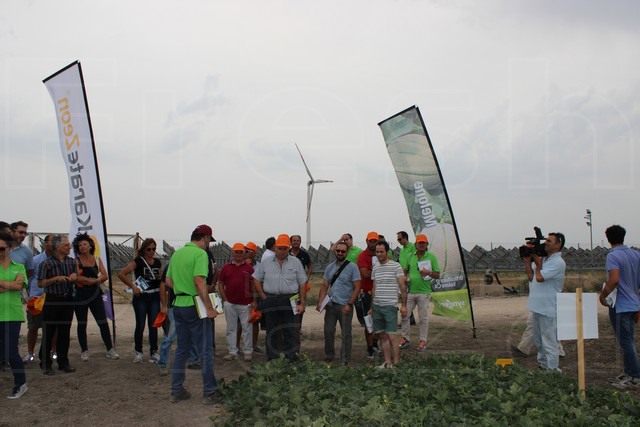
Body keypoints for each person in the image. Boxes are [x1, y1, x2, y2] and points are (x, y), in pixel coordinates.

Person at [165, 224, 220, 405]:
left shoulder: (177, 254)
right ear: (205, 238)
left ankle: (176, 390)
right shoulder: (200, 254)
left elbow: (168, 280)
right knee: (205, 350)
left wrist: (181, 288)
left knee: (182, 349)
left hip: (178, 305)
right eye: (209, 240)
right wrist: (209, 307)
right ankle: (210, 392)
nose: (209, 244)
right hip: (195, 306)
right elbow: (199, 281)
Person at [253, 234, 307, 362]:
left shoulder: (296, 262)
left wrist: (302, 303)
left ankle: (291, 358)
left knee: (291, 330)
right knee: (272, 330)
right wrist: (263, 296)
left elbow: (302, 283)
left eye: (285, 248)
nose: (282, 251)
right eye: (279, 248)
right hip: (271, 299)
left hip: (291, 299)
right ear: (275, 247)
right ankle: (273, 358)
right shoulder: (266, 262)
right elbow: (256, 279)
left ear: (289, 248)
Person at [599, 225, 640, 389]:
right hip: (633, 303)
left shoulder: (613, 256)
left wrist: (603, 295)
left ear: (608, 238)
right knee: (628, 339)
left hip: (620, 305)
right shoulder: (636, 254)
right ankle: (629, 372)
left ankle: (635, 376)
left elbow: (614, 279)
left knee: (625, 342)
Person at [72, 233, 119, 361]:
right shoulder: (76, 261)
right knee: (82, 323)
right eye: (80, 245)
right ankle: (84, 350)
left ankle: (110, 349)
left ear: (90, 246)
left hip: (95, 295)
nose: (82, 247)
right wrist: (91, 281)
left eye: (85, 244)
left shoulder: (97, 259)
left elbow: (105, 275)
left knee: (102, 321)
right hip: (80, 296)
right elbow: (77, 277)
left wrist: (94, 281)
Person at [523, 232, 566, 372]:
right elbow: (531, 278)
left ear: (558, 245)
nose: (545, 243)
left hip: (548, 307)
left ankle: (553, 369)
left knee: (549, 341)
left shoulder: (558, 262)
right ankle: (543, 365)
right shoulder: (544, 259)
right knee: (539, 340)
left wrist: (538, 265)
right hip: (537, 306)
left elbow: (540, 278)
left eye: (549, 241)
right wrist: (527, 262)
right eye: (546, 240)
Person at [38, 234, 77, 374]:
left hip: (67, 299)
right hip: (52, 299)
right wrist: (55, 279)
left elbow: (76, 276)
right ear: (58, 247)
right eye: (66, 245)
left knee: (64, 332)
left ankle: (63, 361)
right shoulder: (46, 264)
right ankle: (45, 362)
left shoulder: (72, 262)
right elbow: (41, 283)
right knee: (49, 332)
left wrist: (74, 277)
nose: (69, 247)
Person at [316, 241, 361, 365]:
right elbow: (324, 285)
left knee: (346, 333)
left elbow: (357, 287)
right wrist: (321, 301)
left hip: (345, 305)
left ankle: (345, 358)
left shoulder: (353, 267)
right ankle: (329, 355)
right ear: (335, 251)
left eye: (343, 251)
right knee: (328, 331)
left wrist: (350, 304)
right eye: (338, 251)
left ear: (347, 252)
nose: (340, 253)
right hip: (331, 305)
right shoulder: (330, 267)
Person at [118, 238, 162, 363]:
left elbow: (161, 278)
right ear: (144, 249)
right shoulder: (138, 261)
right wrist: (133, 286)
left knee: (153, 325)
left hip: (154, 295)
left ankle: (154, 351)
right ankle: (138, 352)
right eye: (149, 249)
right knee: (140, 324)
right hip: (141, 296)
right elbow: (121, 274)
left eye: (153, 249)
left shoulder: (157, 262)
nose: (151, 252)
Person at [369, 241, 407, 369]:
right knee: (382, 335)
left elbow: (402, 286)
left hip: (390, 306)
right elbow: (374, 287)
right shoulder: (375, 267)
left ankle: (396, 363)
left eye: (381, 251)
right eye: (377, 252)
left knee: (392, 335)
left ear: (387, 252)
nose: (379, 254)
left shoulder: (396, 266)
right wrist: (371, 307)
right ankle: (387, 363)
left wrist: (404, 305)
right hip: (377, 306)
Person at [0, 232, 29, 398]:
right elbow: (15, 285)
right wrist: (10, 284)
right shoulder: (16, 271)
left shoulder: (19, 266)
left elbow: (19, 286)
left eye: (1, 248)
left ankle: (20, 383)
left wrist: (5, 285)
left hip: (12, 314)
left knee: (11, 351)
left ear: (9, 248)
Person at [399, 234, 440, 352]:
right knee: (404, 315)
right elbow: (404, 270)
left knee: (423, 318)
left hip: (424, 292)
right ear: (415, 244)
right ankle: (405, 339)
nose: (421, 245)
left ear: (427, 244)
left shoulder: (431, 257)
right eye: (419, 243)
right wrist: (405, 277)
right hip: (411, 291)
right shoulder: (410, 256)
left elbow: (437, 275)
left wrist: (429, 273)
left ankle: (423, 341)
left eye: (423, 243)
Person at [158, 267, 199, 376]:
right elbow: (163, 285)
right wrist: (164, 305)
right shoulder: (172, 265)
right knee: (169, 336)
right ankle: (163, 363)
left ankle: (193, 360)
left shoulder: (193, 265)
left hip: (190, 304)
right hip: (174, 306)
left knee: (191, 334)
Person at [219, 243, 254, 362]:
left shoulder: (249, 268)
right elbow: (221, 283)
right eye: (236, 252)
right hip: (230, 303)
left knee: (247, 328)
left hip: (245, 304)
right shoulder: (226, 267)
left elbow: (253, 284)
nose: (238, 254)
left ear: (244, 254)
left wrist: (253, 300)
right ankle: (232, 351)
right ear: (232, 253)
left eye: (241, 252)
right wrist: (225, 299)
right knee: (231, 328)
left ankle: (248, 351)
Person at [23, 234, 55, 364]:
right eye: (52, 242)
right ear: (45, 244)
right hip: (36, 298)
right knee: (33, 327)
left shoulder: (59, 261)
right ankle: (30, 353)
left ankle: (53, 352)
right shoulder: (35, 260)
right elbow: (29, 278)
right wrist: (30, 294)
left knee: (54, 328)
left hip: (52, 298)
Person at [356, 232, 380, 359]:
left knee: (380, 320)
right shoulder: (362, 256)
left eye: (375, 241)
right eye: (371, 241)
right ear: (366, 241)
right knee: (369, 321)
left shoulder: (382, 254)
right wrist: (378, 270)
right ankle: (370, 347)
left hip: (380, 292)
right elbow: (365, 274)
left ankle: (375, 343)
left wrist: (373, 270)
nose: (373, 243)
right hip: (367, 292)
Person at [290, 234, 312, 349]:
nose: (296, 242)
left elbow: (310, 266)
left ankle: (298, 328)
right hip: (289, 286)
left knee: (300, 307)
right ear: (290, 242)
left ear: (300, 242)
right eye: (294, 240)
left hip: (301, 286)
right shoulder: (286, 253)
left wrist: (306, 278)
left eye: (298, 240)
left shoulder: (304, 254)